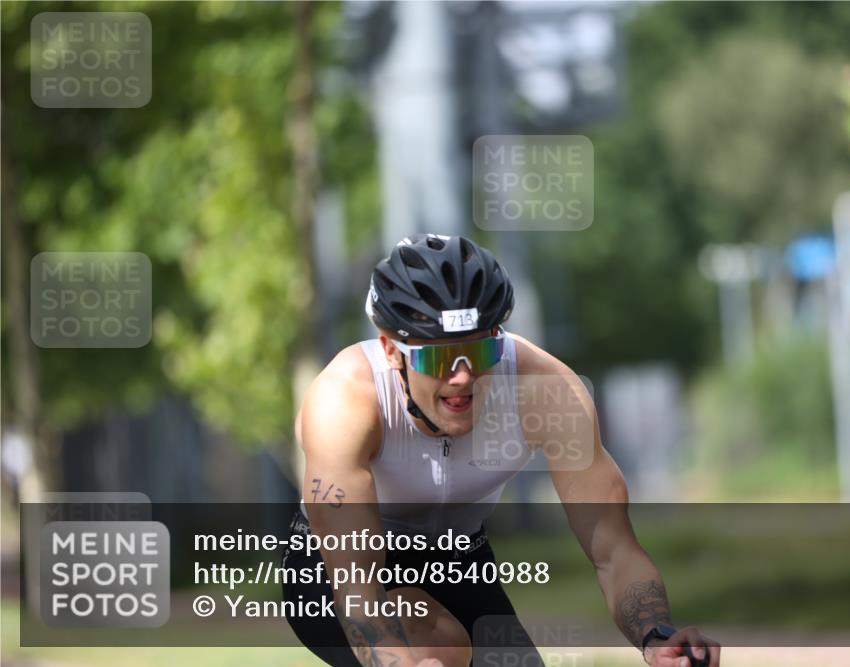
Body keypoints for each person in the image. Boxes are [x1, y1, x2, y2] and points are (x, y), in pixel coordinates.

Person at [282, 233, 721, 667]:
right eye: (437, 358)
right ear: (391, 351)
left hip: (459, 557)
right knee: (435, 648)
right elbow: (358, 587)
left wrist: (656, 636)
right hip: (336, 569)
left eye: (479, 351)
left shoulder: (543, 390)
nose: (461, 377)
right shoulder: (345, 401)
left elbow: (614, 550)